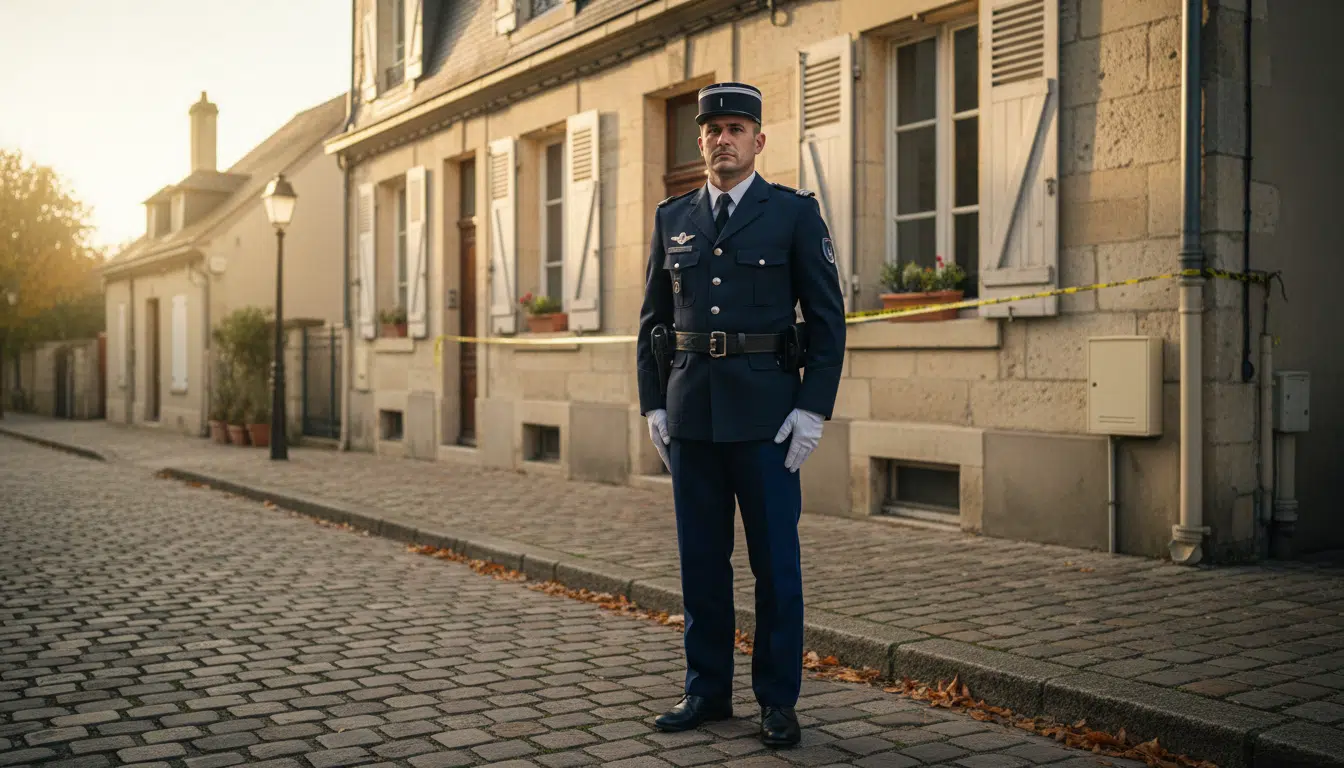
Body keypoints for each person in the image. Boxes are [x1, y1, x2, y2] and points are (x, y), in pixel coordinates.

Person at [635, 81, 847, 748]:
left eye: (735, 128)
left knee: (775, 567)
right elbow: (652, 322)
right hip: (692, 418)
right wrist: (653, 403)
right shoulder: (673, 218)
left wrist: (812, 410)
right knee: (701, 563)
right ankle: (706, 689)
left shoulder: (793, 214)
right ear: (700, 141)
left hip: (766, 422)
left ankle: (777, 701)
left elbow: (828, 321)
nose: (723, 139)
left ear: (759, 140)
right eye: (713, 129)